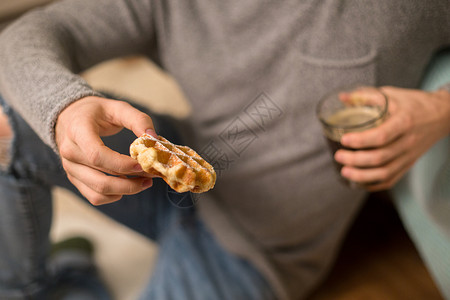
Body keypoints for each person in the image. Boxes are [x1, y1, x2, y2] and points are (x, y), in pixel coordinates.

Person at [0, 0, 449, 299]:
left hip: (257, 251)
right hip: (172, 173)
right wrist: (64, 108)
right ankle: (29, 289)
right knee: (6, 119)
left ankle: (76, 283)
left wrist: (440, 108)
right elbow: (24, 37)